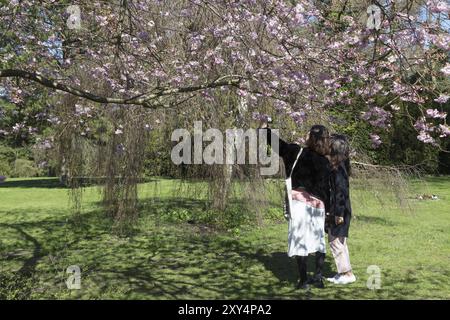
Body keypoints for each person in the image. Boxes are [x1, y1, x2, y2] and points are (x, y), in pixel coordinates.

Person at [260, 121, 331, 289]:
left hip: (299, 204)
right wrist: (328, 211)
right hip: (318, 205)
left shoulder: (296, 152)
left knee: (300, 240)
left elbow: (278, 145)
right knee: (318, 239)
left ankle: (304, 280)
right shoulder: (324, 161)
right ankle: (319, 277)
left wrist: (264, 130)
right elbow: (326, 188)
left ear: (312, 138)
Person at [325, 134, 356, 285]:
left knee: (335, 240)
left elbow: (341, 191)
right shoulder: (339, 166)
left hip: (340, 209)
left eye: (330, 145)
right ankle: (344, 272)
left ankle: (347, 274)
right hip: (339, 207)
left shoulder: (339, 169)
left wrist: (338, 213)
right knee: (339, 240)